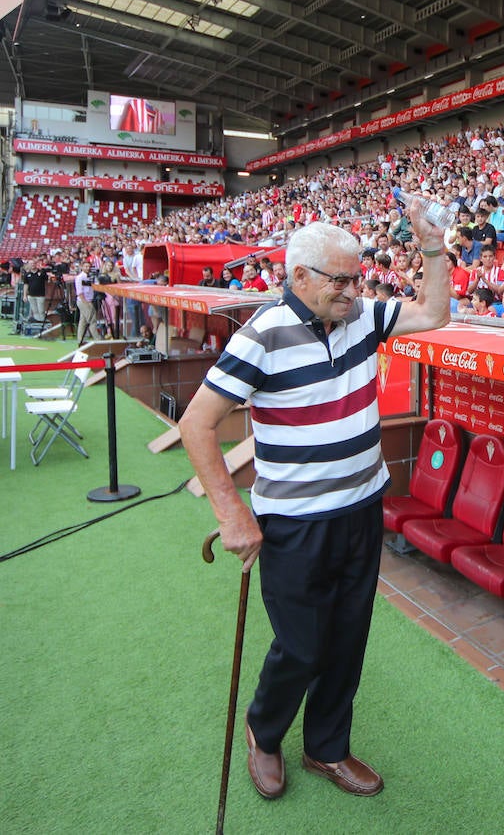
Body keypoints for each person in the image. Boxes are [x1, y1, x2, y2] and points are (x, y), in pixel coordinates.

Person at [179, 212, 452, 802]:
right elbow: (196, 424)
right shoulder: (261, 333)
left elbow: (434, 314)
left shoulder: (361, 317)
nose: (355, 292)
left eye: (359, 279)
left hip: (360, 509)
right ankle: (265, 730)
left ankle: (327, 747)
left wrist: (433, 249)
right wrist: (232, 514)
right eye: (342, 282)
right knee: (302, 645)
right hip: (293, 523)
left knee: (348, 637)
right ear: (299, 275)